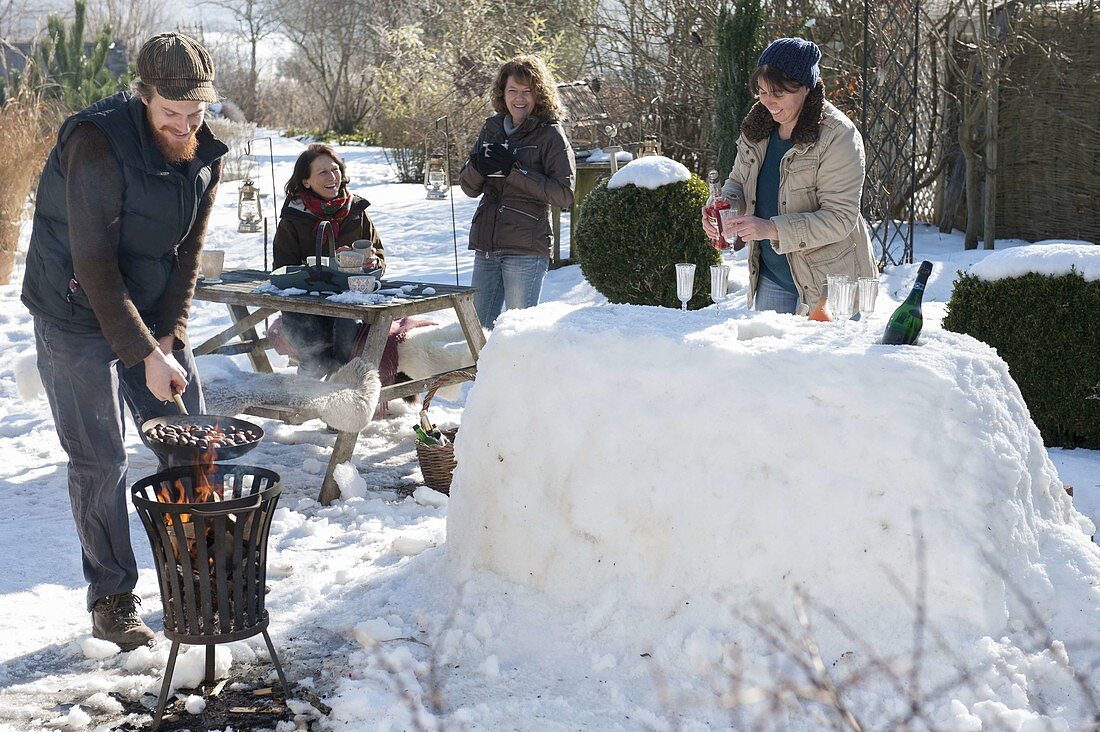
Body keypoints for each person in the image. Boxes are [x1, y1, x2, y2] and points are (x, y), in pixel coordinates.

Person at [21, 33, 228, 649]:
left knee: (190, 442)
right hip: (75, 309)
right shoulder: (96, 142)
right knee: (101, 459)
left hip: (148, 308)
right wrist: (147, 356)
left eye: (195, 114)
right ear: (143, 97)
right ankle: (111, 599)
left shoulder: (207, 153)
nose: (184, 125)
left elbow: (186, 253)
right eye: (171, 114)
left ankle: (196, 576)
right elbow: (95, 264)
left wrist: (171, 333)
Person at [704, 37, 876, 314]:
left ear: (805, 88)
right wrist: (725, 208)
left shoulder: (838, 135)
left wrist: (770, 229)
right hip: (772, 275)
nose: (767, 103)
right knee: (768, 356)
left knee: (821, 358)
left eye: (778, 94)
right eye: (761, 92)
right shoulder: (757, 126)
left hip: (829, 283)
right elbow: (737, 182)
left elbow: (840, 219)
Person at [459, 55, 576, 329]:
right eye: (512, 90)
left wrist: (515, 170)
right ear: (503, 93)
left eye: (527, 91)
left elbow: (564, 195)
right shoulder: (492, 128)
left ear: (539, 94)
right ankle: (481, 375)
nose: (519, 98)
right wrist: (477, 165)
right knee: (477, 333)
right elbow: (468, 187)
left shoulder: (550, 134)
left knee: (518, 332)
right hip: (486, 246)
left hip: (525, 249)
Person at [272, 144, 386, 378]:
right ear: (306, 181)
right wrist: (327, 264)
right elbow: (281, 271)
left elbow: (380, 259)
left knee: (345, 355)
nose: (332, 177)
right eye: (322, 172)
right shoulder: (294, 217)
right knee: (316, 360)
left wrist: (371, 263)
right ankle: (303, 401)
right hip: (305, 305)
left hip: (349, 303)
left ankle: (341, 403)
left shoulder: (357, 210)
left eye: (335, 170)